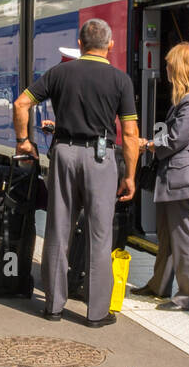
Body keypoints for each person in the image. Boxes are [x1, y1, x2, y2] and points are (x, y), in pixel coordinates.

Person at [13, 18, 139, 327]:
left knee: (59, 228)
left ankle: (53, 306)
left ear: (80, 44)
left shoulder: (58, 73)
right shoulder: (120, 80)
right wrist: (130, 176)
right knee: (99, 233)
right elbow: (131, 133)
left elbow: (21, 104)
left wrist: (24, 142)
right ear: (110, 45)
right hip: (101, 158)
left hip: (64, 154)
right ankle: (96, 314)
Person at [131, 43, 189, 311]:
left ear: (179, 68)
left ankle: (188, 297)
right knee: (168, 236)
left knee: (186, 239)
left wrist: (147, 144)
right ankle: (159, 285)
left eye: (169, 64)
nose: (165, 69)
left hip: (184, 179)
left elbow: (176, 138)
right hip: (176, 179)